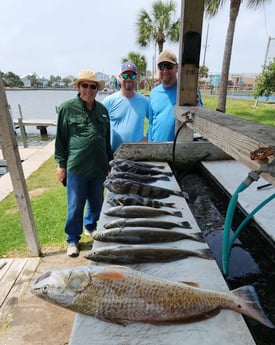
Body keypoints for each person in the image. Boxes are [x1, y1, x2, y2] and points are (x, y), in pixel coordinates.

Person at [55, 70, 113, 257]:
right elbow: (60, 140)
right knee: (75, 205)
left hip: (99, 167)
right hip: (76, 167)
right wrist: (61, 165)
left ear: (97, 90)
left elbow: (106, 140)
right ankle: (72, 239)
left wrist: (109, 163)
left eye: (93, 86)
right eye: (85, 85)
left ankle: (91, 226)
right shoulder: (67, 108)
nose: (88, 89)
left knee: (97, 202)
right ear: (79, 87)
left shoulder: (103, 111)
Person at [148, 50, 203, 142]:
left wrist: (196, 108)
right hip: (156, 148)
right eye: (161, 67)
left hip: (179, 150)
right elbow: (151, 123)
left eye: (169, 66)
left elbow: (199, 120)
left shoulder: (188, 91)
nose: (165, 70)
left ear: (177, 67)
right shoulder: (153, 93)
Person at [102, 61, 150, 152]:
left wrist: (147, 136)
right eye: (125, 75)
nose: (129, 78)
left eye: (132, 76)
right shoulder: (108, 101)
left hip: (138, 154)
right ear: (119, 78)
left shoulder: (145, 101)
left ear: (137, 79)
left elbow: (155, 120)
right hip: (113, 154)